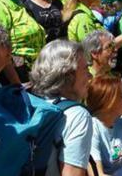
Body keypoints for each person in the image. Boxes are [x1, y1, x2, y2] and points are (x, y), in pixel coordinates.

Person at [29, 40, 94, 176]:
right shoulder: (77, 115)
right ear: (69, 75)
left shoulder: (32, 103)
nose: (90, 75)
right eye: (85, 69)